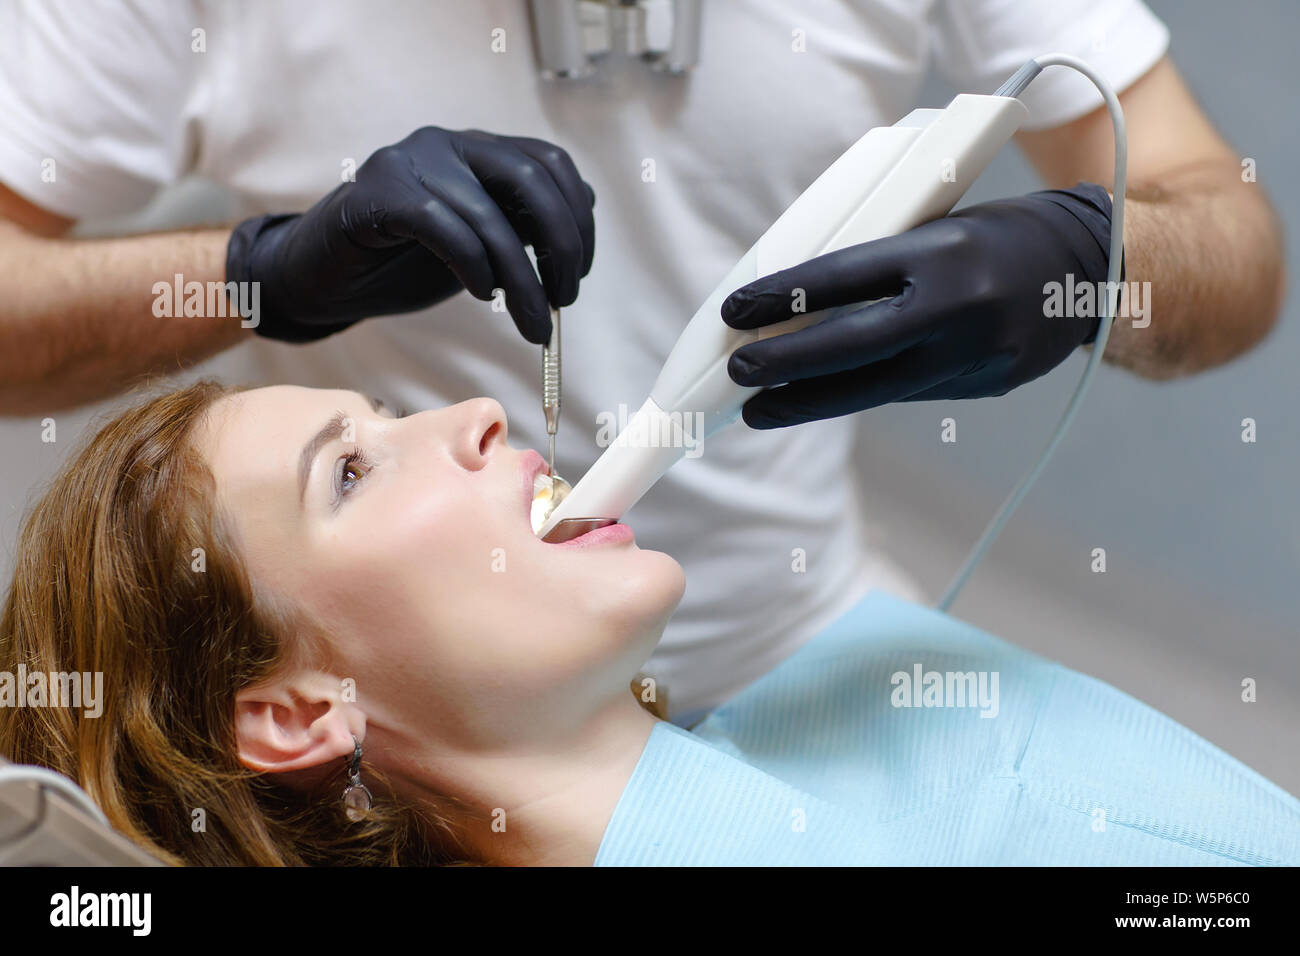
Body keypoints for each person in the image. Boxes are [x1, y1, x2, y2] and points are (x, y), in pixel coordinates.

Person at [0, 1, 1284, 727]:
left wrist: (1088, 263)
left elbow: (1233, 242)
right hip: (450, 721)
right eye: (348, 464)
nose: (487, 424)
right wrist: (260, 271)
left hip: (807, 638)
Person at [2, 380, 1296, 866]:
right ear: (294, 713)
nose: (475, 415)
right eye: (351, 471)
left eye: (388, 411)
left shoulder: (862, 675)